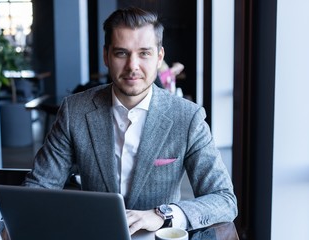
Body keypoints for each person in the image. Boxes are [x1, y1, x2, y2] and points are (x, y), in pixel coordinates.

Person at [23, 7, 237, 235]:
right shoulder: (74, 111)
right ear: (106, 56)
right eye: (121, 53)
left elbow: (224, 200)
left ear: (159, 57)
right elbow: (40, 186)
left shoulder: (188, 117)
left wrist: (162, 214)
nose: (132, 66)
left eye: (144, 53)